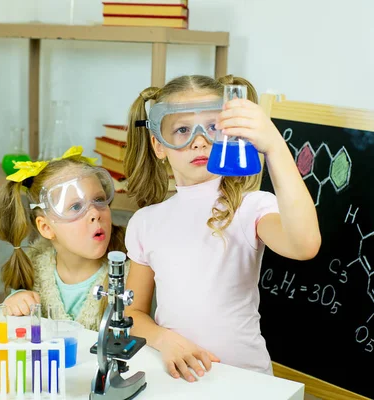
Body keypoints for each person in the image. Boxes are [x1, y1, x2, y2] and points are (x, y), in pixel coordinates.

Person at [123, 74, 321, 382]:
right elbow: (132, 314)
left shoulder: (250, 207)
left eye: (213, 127)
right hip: (179, 379)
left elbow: (304, 244)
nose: (200, 140)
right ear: (158, 145)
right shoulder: (145, 222)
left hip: (246, 381)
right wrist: (163, 340)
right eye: (182, 130)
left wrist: (274, 147)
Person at [0, 146, 128, 331]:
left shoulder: (128, 274)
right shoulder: (35, 268)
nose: (95, 212)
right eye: (76, 207)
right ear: (46, 228)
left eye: (99, 199)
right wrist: (16, 302)